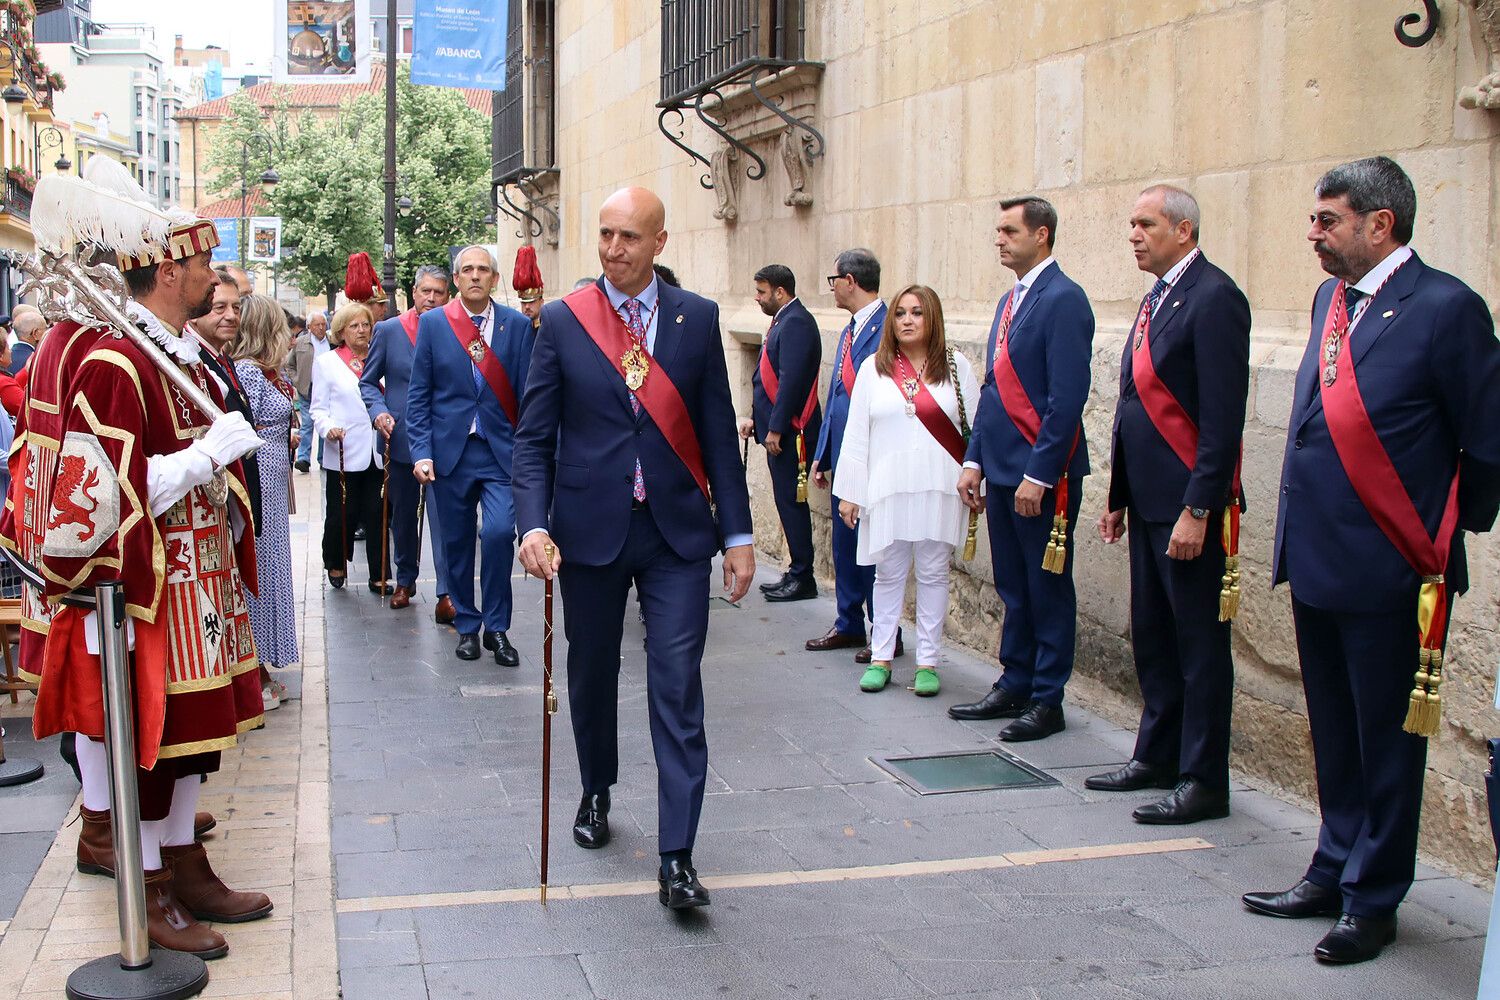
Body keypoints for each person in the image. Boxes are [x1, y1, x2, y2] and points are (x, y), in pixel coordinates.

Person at [0, 176, 270, 959]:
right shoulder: (119, 363)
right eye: (201, 267)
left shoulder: (176, 352)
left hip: (198, 582)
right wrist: (203, 458)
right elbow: (106, 494)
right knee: (154, 741)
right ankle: (148, 881)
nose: (213, 281)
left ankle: (183, 860)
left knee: (197, 738)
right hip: (152, 589)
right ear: (165, 269)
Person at [1244, 157, 1500, 964]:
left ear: (1379, 224)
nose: (1313, 234)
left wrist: (1452, 530)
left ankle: (1374, 896)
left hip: (1394, 563)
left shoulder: (1448, 307)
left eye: (1328, 220)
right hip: (1318, 555)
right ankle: (1333, 864)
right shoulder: (1330, 300)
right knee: (1335, 729)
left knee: (1387, 739)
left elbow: (1485, 437)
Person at [513, 187, 754, 910]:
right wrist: (531, 523)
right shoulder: (561, 321)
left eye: (628, 237)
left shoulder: (697, 319)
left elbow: (716, 431)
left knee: (678, 683)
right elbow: (533, 437)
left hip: (676, 534)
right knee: (589, 671)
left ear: (659, 243)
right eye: (605, 234)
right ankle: (596, 788)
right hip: (588, 530)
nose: (613, 249)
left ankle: (677, 854)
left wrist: (738, 535)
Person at [1090, 184, 1250, 826]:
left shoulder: (1214, 298)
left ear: (1183, 230)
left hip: (1189, 510)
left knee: (1198, 647)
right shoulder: (1157, 299)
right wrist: (1119, 496)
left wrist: (1199, 508)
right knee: (1154, 637)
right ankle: (1156, 754)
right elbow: (1134, 406)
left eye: (1145, 223)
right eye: (1130, 223)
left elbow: (1221, 419)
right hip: (1150, 502)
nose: (1133, 234)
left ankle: (1203, 777)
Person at [950, 196, 1094, 742]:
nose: (1000, 239)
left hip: (1043, 476)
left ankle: (1047, 697)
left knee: (1046, 587)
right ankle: (1015, 679)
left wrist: (1039, 473)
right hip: (1004, 469)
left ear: (1042, 235)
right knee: (1014, 584)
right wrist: (974, 458)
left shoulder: (1065, 299)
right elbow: (993, 390)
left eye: (1010, 231)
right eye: (998, 230)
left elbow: (1065, 399)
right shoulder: (1010, 302)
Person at [834, 286, 978, 697]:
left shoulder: (956, 367)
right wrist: (851, 491)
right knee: (888, 573)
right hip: (887, 487)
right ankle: (881, 657)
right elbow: (857, 434)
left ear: (932, 318)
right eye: (900, 313)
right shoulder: (873, 370)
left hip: (939, 485)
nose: (908, 320)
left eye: (917, 312)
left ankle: (928, 662)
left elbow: (975, 428)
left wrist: (974, 473)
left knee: (933, 573)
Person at [407, 246, 533, 665]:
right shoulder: (434, 324)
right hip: (450, 454)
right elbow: (419, 395)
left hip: (501, 453)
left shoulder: (517, 326)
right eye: (467, 270)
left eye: (483, 269)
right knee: (457, 543)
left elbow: (529, 396)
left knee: (498, 534)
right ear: (456, 279)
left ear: (494, 279)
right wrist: (422, 452)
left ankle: (498, 628)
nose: (475, 276)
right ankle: (466, 624)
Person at [807, 248, 901, 664]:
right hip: (844, 455)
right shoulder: (849, 330)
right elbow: (837, 397)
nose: (831, 289)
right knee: (845, 545)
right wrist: (822, 453)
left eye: (833, 281)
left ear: (849, 280)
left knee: (875, 550)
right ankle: (848, 623)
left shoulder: (890, 326)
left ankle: (886, 631)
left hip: (874, 457)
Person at [360, 263, 457, 621]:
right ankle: (404, 579)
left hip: (445, 440)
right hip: (400, 439)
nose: (431, 298)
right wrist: (379, 412)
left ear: (448, 296)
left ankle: (447, 591)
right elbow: (368, 382)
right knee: (402, 516)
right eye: (425, 291)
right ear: (413, 293)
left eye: (439, 292)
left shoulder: (456, 329)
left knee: (444, 518)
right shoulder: (389, 330)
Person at [232, 294, 301, 712]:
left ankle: (262, 665)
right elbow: (246, 430)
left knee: (271, 567)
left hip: (274, 477)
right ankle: (253, 668)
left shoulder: (264, 372)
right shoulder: (248, 372)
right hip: (260, 477)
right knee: (259, 569)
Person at [738, 263, 820, 602]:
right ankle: (796, 570)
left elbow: (791, 382)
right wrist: (760, 421)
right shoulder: (783, 320)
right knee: (786, 503)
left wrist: (775, 429)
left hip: (790, 435)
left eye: (762, 292)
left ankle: (803, 576)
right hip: (777, 431)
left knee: (792, 503)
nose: (757, 298)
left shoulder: (797, 322)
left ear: (780, 292)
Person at [312, 303, 387, 592]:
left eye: (365, 325)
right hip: (343, 448)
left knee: (378, 511)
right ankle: (336, 562)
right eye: (354, 326)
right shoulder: (328, 363)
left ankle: (379, 572)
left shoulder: (380, 359)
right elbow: (318, 408)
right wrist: (327, 428)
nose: (361, 330)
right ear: (341, 331)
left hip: (377, 448)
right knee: (342, 511)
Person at [191, 270, 262, 536]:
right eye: (219, 307)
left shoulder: (222, 357)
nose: (231, 316)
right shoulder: (194, 361)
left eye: (236, 307)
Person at [292, 311, 330, 472]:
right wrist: (296, 380)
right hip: (307, 388)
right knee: (307, 422)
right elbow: (289, 364)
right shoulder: (301, 343)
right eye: (317, 325)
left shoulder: (332, 341)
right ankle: (303, 458)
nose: (321, 328)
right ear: (309, 327)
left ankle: (323, 457)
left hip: (326, 388)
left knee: (324, 421)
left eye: (323, 324)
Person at [9, 304, 45, 375]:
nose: (46, 334)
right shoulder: (37, 360)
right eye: (45, 329)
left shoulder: (5, 358)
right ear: (35, 333)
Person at [514, 245, 544, 328]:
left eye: (531, 302)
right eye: (524, 303)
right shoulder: (517, 326)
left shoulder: (549, 325)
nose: (527, 307)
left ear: (541, 302)